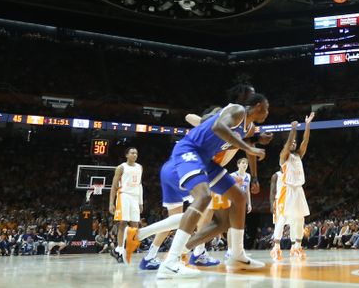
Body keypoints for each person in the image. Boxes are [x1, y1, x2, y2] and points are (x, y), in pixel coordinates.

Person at [127, 94, 270, 278]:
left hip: (206, 160)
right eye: (266, 108)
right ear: (258, 106)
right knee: (203, 198)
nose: (268, 112)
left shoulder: (249, 127)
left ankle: (236, 255)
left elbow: (242, 143)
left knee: (239, 197)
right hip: (190, 151)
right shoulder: (238, 111)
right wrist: (250, 148)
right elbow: (218, 127)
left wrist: (255, 143)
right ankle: (171, 261)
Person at [273, 112, 315, 259]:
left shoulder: (298, 155)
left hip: (299, 190)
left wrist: (308, 124)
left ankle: (297, 246)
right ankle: (276, 247)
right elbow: (289, 142)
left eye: (295, 143)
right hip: (287, 189)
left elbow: (306, 141)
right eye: (291, 143)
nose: (294, 144)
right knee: (283, 219)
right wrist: (293, 129)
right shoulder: (284, 156)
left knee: (300, 219)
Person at [109, 147, 143, 262]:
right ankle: (119, 249)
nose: (135, 155)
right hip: (124, 195)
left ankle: (124, 250)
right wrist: (111, 203)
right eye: (132, 153)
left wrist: (140, 202)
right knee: (123, 223)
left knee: (135, 226)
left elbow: (140, 185)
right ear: (127, 155)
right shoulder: (121, 167)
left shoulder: (140, 167)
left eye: (136, 153)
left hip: (134, 197)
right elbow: (114, 186)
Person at [269, 169, 287, 260]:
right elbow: (272, 191)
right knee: (279, 224)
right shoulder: (276, 175)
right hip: (279, 201)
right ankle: (276, 248)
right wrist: (272, 205)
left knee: (295, 224)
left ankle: (296, 247)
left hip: (290, 200)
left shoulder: (292, 173)